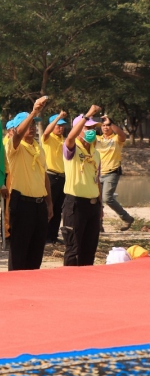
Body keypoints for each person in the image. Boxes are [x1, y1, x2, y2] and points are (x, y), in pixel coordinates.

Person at [6, 98, 53, 271]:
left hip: (39, 205)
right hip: (22, 204)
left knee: (36, 252)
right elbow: (17, 136)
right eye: (28, 124)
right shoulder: (14, 146)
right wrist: (33, 112)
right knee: (19, 252)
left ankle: (32, 284)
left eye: (34, 124)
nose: (32, 127)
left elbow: (44, 176)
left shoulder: (38, 148)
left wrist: (49, 202)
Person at [62, 107, 103, 266]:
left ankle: (86, 280)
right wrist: (88, 115)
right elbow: (70, 137)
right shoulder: (72, 148)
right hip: (76, 204)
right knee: (74, 249)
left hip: (93, 205)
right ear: (78, 129)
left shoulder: (95, 153)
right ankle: (69, 279)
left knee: (89, 249)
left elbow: (97, 180)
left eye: (93, 128)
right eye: (87, 128)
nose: (91, 131)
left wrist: (100, 205)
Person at [96, 114, 133, 231]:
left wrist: (111, 122)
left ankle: (127, 218)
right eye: (103, 125)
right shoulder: (97, 139)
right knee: (97, 200)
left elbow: (122, 135)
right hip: (97, 173)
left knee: (107, 198)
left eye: (108, 125)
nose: (105, 127)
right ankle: (99, 225)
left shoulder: (116, 139)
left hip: (112, 172)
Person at [42, 112, 68, 244]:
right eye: (58, 125)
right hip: (51, 176)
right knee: (48, 206)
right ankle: (45, 236)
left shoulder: (64, 140)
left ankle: (53, 236)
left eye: (63, 126)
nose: (61, 128)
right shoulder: (48, 138)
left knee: (58, 208)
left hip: (63, 177)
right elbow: (46, 132)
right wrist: (58, 117)